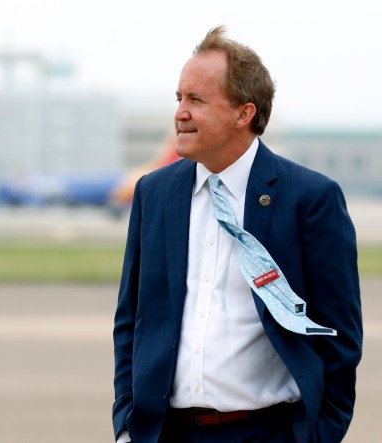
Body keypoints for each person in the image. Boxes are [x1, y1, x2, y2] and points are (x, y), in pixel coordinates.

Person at [112, 25, 362, 443]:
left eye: (196, 100)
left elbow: (339, 339)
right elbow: (131, 322)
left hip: (265, 432)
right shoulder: (153, 194)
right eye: (179, 98)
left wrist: (317, 436)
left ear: (243, 113)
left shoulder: (310, 199)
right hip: (165, 433)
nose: (180, 113)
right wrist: (126, 425)